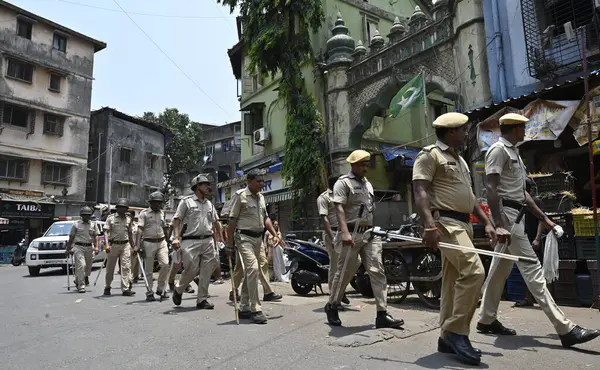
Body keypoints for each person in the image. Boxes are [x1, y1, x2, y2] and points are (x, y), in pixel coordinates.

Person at [479, 112, 600, 348]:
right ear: (513, 129)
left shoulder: (514, 153)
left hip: (517, 216)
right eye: (522, 128)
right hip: (509, 219)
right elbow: (490, 188)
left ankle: (485, 319)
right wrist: (500, 224)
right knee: (534, 271)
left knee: (498, 270)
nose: (525, 132)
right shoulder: (498, 151)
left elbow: (523, 194)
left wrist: (546, 220)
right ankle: (565, 328)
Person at [413, 112, 498, 365]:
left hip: (464, 225)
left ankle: (444, 337)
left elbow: (470, 199)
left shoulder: (459, 160)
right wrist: (429, 225)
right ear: (451, 132)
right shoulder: (430, 155)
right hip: (446, 224)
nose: (465, 134)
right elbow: (419, 190)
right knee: (474, 272)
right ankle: (456, 330)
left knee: (452, 282)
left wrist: (487, 223)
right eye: (463, 130)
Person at [324, 149, 403, 329]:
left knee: (377, 270)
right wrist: (344, 232)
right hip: (350, 233)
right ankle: (333, 305)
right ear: (353, 165)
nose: (366, 168)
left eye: (367, 164)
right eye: (362, 164)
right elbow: (339, 208)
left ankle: (382, 313)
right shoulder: (343, 183)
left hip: (368, 234)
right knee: (344, 272)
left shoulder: (367, 184)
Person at [226, 169, 283, 324]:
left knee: (256, 269)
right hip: (243, 237)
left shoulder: (261, 197)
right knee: (253, 269)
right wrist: (229, 245)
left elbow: (266, 219)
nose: (262, 184)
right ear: (249, 181)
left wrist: (275, 234)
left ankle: (243, 306)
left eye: (263, 181)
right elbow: (231, 221)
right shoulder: (240, 196)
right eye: (258, 181)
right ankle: (255, 309)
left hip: (258, 238)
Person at [171, 174, 222, 309]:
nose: (208, 187)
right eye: (205, 184)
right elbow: (177, 220)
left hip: (208, 240)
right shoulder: (186, 202)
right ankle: (179, 289)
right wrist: (176, 237)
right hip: (190, 241)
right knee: (191, 270)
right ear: (197, 186)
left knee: (206, 270)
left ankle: (202, 300)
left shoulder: (209, 204)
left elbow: (216, 222)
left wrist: (220, 236)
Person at [317, 176, 355, 308]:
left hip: (345, 232)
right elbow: (324, 219)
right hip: (332, 233)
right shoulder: (324, 197)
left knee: (353, 262)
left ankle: (341, 290)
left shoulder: (344, 195)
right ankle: (334, 298)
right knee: (335, 266)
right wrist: (332, 237)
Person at [514, 177, 545, 308]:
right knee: (525, 270)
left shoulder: (536, 202)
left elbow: (542, 220)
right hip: (524, 239)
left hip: (533, 240)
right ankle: (528, 298)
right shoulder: (519, 202)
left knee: (537, 270)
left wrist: (537, 238)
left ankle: (543, 298)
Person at [135, 191, 170, 302]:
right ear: (151, 203)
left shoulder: (162, 213)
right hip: (148, 242)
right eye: (156, 203)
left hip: (162, 242)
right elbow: (140, 229)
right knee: (149, 270)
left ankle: (160, 289)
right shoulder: (144, 213)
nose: (158, 205)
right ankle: (149, 291)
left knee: (165, 264)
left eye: (160, 203)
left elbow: (164, 227)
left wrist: (169, 240)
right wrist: (137, 245)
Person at [103, 198, 136, 297]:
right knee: (110, 268)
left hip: (125, 245)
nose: (122, 210)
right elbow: (106, 232)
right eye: (120, 207)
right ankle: (107, 286)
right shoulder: (111, 218)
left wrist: (134, 246)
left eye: (124, 208)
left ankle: (125, 289)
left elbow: (130, 234)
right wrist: (107, 245)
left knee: (126, 267)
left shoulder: (129, 219)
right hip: (113, 245)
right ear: (117, 208)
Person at [65, 206, 99, 293]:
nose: (86, 217)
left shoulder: (93, 225)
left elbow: (96, 237)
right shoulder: (76, 225)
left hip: (89, 247)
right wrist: (68, 248)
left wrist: (96, 247)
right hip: (78, 247)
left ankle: (78, 279)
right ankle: (81, 285)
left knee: (88, 267)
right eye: (84, 215)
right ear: (81, 216)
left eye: (88, 215)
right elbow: (71, 237)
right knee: (81, 265)